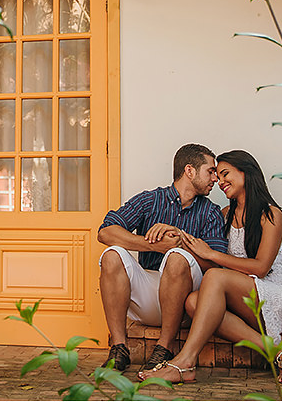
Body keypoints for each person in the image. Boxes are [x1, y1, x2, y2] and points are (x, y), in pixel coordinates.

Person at [136, 150, 282, 384]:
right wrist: (172, 231)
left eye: (225, 174)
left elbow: (261, 268)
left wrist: (212, 254)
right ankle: (275, 350)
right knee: (193, 302)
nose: (220, 181)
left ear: (247, 172)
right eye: (217, 175)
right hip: (243, 300)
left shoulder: (270, 214)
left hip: (275, 297)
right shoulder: (224, 215)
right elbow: (199, 250)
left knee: (215, 276)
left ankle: (184, 362)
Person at [97, 143, 228, 375]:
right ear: (189, 170)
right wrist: (152, 245)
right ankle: (119, 348)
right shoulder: (150, 200)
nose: (215, 179)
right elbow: (105, 232)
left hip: (186, 302)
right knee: (111, 255)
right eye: (210, 171)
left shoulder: (211, 212)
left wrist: (178, 241)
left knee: (177, 257)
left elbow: (217, 264)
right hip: (148, 295)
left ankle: (164, 348)